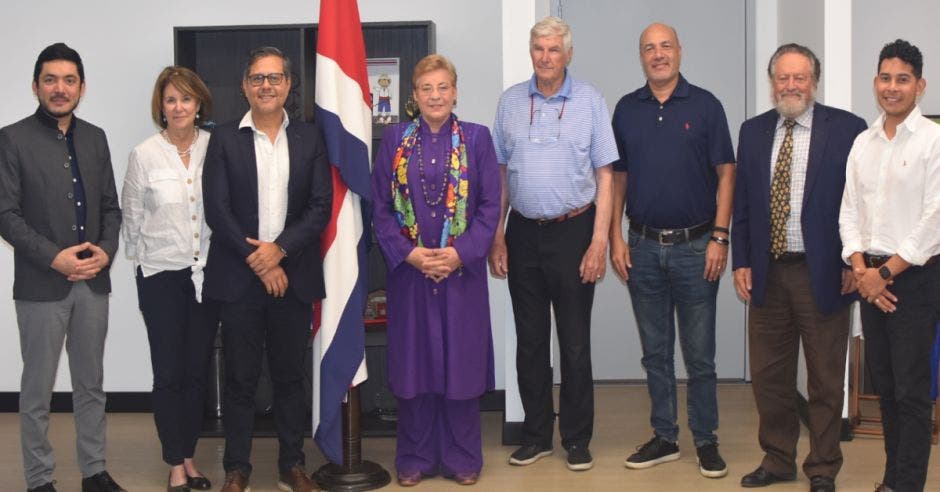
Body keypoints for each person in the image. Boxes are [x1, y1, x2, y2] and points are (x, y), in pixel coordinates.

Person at [732, 44, 867, 492]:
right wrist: (741, 262)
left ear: (814, 82)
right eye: (783, 78)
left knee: (826, 378)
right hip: (768, 273)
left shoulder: (848, 129)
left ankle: (824, 466)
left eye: (800, 77)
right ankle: (777, 458)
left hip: (825, 272)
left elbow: (861, 203)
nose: (791, 86)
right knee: (770, 376)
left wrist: (855, 259)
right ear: (772, 83)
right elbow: (744, 205)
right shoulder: (752, 132)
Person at [489, 16, 618, 472]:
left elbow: (606, 174)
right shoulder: (508, 103)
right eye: (539, 49)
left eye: (554, 50)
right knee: (529, 341)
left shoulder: (590, 101)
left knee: (575, 342)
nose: (546, 57)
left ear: (568, 54)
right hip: (522, 231)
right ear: (532, 53)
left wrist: (599, 240)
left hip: (574, 232)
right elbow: (500, 175)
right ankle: (537, 434)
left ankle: (577, 438)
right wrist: (497, 234)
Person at [609, 22, 735, 478]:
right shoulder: (626, 109)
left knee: (700, 356)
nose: (658, 54)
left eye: (665, 46)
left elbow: (726, 172)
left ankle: (706, 439)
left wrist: (720, 236)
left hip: (697, 248)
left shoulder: (705, 106)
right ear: (641, 56)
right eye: (649, 48)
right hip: (641, 247)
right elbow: (617, 178)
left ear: (679, 51)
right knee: (655, 353)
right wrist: (614, 238)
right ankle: (665, 436)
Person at [202, 46, 331, 492]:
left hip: (292, 276)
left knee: (290, 377)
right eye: (257, 79)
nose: (266, 86)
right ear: (244, 86)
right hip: (239, 279)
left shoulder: (310, 138)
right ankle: (237, 468)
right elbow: (217, 210)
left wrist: (279, 252)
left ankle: (292, 464)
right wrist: (259, 260)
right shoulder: (222, 138)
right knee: (239, 377)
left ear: (289, 85)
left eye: (275, 78)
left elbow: (319, 208)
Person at [0, 42, 125, 492]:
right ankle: (38, 479)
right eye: (50, 79)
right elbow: (6, 214)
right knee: (37, 390)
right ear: (36, 86)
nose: (60, 88)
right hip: (40, 284)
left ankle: (94, 470)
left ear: (82, 87)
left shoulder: (96, 137)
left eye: (69, 80)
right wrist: (54, 257)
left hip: (93, 282)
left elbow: (112, 207)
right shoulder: (12, 138)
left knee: (91, 384)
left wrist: (106, 251)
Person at [371, 53, 500, 487]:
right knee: (415, 365)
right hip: (410, 274)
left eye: (443, 87)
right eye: (426, 88)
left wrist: (460, 253)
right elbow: (381, 208)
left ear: (455, 91)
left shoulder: (478, 140)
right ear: (413, 96)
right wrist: (409, 254)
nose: (435, 96)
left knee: (461, 364)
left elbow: (489, 207)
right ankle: (415, 456)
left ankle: (463, 456)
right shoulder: (393, 141)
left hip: (461, 275)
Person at [839, 39, 940, 492]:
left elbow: (934, 219)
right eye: (885, 78)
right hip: (870, 278)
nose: (892, 87)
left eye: (902, 79)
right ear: (875, 82)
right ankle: (892, 480)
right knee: (886, 390)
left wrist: (882, 275)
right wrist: (862, 268)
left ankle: (909, 486)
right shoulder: (864, 142)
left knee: (912, 393)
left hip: (913, 280)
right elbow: (849, 213)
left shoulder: (934, 141)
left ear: (919, 86)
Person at [121, 66, 218, 492]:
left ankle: (191, 458)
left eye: (186, 99)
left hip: (208, 275)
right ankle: (174, 463)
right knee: (169, 373)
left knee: (197, 371)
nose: (179, 107)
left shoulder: (216, 149)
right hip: (161, 276)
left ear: (199, 104)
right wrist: (145, 264)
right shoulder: (144, 155)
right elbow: (132, 219)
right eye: (171, 99)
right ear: (161, 106)